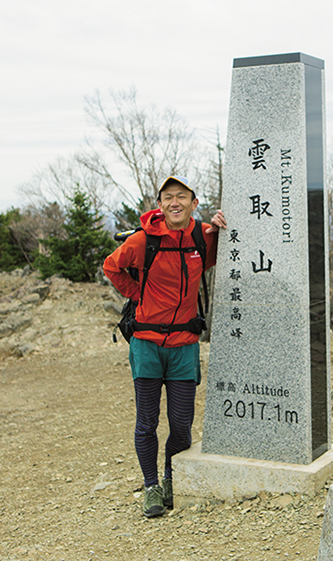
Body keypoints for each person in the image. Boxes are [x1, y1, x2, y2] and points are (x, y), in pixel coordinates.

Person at [103, 176, 226, 518]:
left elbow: (222, 255)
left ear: (193, 203)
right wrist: (138, 294)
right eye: (168, 197)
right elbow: (112, 266)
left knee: (182, 423)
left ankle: (172, 477)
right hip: (147, 344)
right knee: (147, 422)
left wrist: (220, 229)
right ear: (160, 205)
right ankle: (150, 486)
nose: (175, 202)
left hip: (184, 344)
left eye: (182, 197)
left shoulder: (201, 236)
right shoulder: (144, 240)